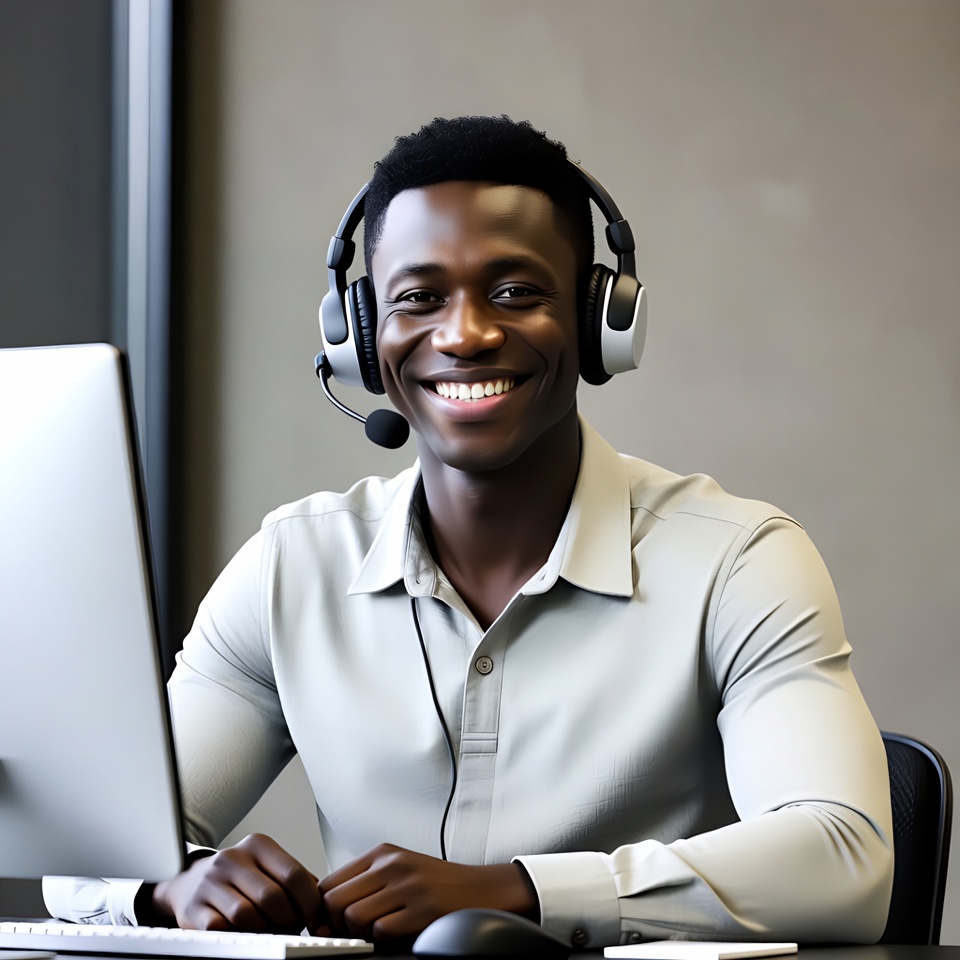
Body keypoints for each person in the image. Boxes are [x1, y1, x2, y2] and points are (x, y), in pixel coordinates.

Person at [45, 116, 893, 948]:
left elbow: (844, 859)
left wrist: (518, 893)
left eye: (516, 292)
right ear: (360, 337)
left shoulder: (738, 560)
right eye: (418, 299)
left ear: (603, 319)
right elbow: (86, 850)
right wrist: (172, 882)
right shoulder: (290, 569)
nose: (466, 334)